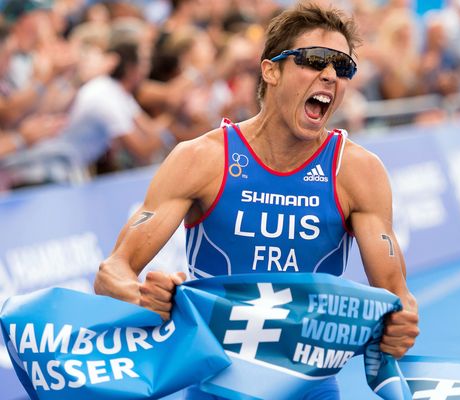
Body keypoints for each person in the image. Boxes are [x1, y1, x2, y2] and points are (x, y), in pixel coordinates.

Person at [94, 3, 419, 399]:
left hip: (311, 389)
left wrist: (401, 323)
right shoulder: (202, 158)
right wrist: (143, 296)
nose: (331, 75)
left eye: (343, 67)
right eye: (315, 60)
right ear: (271, 70)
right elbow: (112, 271)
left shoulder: (357, 172)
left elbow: (396, 296)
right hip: (216, 386)